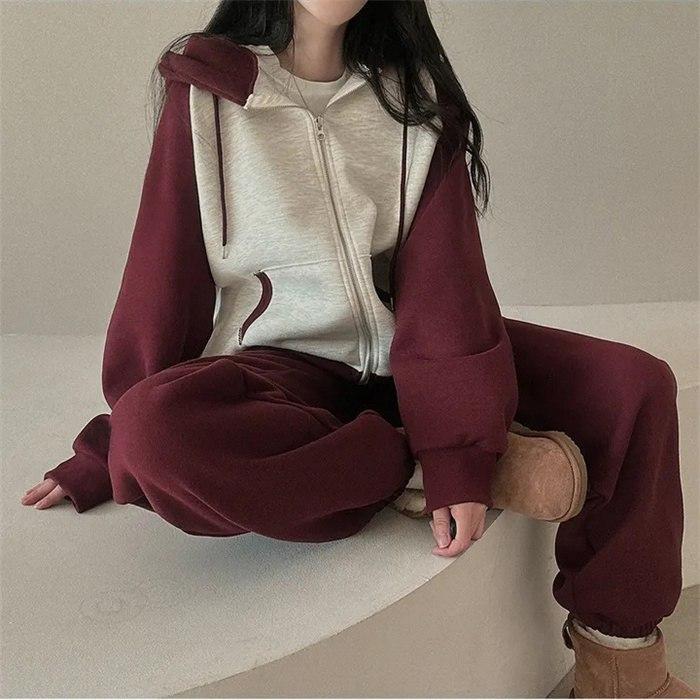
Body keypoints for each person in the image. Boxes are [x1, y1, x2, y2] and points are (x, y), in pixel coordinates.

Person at [19, 1, 696, 696]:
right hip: (284, 370)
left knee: (637, 385)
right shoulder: (206, 94)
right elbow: (163, 274)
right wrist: (112, 444)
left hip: (421, 353)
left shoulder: (416, 105)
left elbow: (446, 286)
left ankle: (622, 666)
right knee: (157, 433)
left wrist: (456, 442)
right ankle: (414, 461)